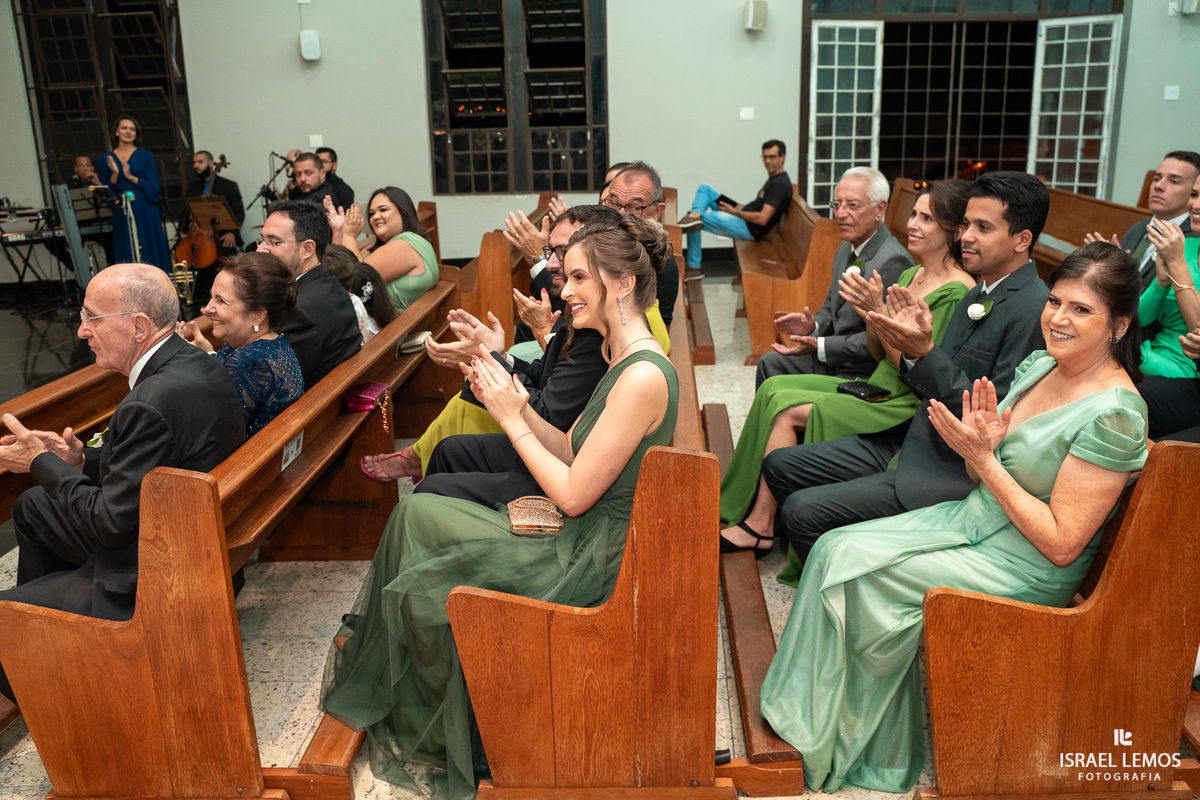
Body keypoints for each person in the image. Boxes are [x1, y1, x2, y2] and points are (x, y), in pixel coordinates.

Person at [759, 242, 1148, 794]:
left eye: (1081, 310)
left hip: (1025, 562)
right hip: (977, 519)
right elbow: (998, 448)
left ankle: (857, 746)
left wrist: (984, 459)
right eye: (1055, 302)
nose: (1058, 318)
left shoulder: (1114, 415)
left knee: (857, 570)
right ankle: (803, 715)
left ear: (1120, 324)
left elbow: (1062, 543)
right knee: (834, 545)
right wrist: (984, 441)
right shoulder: (1044, 365)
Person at [321, 215, 679, 800]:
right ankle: (438, 695)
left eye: (578, 277)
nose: (563, 291)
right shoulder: (625, 357)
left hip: (591, 552)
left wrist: (513, 421)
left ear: (619, 284)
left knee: (419, 517)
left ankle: (447, 719)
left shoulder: (641, 374)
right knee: (421, 514)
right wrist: (515, 403)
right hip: (583, 525)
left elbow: (572, 493)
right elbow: (570, 448)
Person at [760, 171, 1050, 560]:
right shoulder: (980, 291)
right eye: (965, 224)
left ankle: (856, 581)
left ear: (1022, 239)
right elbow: (927, 376)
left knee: (801, 511)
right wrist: (910, 349)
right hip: (910, 435)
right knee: (779, 465)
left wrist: (922, 351)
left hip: (944, 469)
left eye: (982, 227)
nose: (965, 236)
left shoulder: (1033, 308)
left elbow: (989, 415)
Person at [0, 263, 244, 699]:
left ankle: (52, 686)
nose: (81, 332)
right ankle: (49, 650)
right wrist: (79, 461)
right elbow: (156, 466)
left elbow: (110, 524)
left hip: (151, 575)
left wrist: (40, 460)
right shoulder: (194, 362)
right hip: (189, 534)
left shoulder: (148, 401)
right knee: (34, 506)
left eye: (91, 318)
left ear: (138, 326)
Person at [719, 180, 973, 555]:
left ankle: (760, 524)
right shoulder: (910, 277)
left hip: (899, 400)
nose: (914, 224)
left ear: (952, 231)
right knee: (774, 387)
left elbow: (908, 364)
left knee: (787, 410)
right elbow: (878, 349)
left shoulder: (956, 291)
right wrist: (873, 317)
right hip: (878, 380)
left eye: (927, 219)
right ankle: (751, 505)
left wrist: (880, 314)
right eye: (915, 214)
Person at [360, 205, 614, 486]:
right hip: (551, 428)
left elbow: (548, 414)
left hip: (554, 456)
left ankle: (424, 467)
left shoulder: (592, 329)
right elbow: (547, 372)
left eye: (562, 253)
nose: (551, 263)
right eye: (549, 252)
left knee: (458, 431)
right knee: (467, 399)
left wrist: (495, 365)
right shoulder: (584, 313)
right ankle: (422, 458)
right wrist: (500, 357)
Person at [754, 167, 914, 387]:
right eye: (837, 204)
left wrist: (820, 346)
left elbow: (882, 340)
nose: (840, 214)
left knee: (779, 387)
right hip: (836, 359)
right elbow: (830, 308)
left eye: (852, 206)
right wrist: (813, 327)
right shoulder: (845, 248)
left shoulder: (891, 261)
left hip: (862, 373)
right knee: (769, 363)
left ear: (880, 209)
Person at [177, 252, 305, 437]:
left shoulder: (247, 361)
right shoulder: (274, 342)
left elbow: (213, 433)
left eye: (221, 300)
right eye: (212, 296)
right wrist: (209, 355)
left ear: (257, 315)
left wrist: (180, 363)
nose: (207, 308)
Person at [257, 199, 361, 387]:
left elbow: (276, 385)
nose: (261, 250)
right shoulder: (329, 284)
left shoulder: (297, 309)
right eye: (262, 240)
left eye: (274, 242)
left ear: (307, 249)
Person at [1134, 171, 1200, 438]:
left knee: (1114, 392)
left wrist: (1177, 266)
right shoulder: (1185, 246)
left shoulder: (1178, 254)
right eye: (1195, 195)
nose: (1195, 205)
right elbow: (1141, 318)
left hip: (1188, 372)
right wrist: (1161, 282)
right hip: (1153, 353)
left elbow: (1197, 328)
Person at [1085, 151, 1200, 290]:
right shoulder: (1137, 229)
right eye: (1157, 178)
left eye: (1174, 181)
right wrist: (1114, 266)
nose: (1159, 186)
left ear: (1194, 191)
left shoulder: (1193, 239)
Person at [677, 139, 791, 271]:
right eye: (765, 157)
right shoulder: (774, 179)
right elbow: (758, 207)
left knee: (696, 219)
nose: (767, 161)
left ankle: (693, 266)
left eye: (772, 157)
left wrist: (734, 211)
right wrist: (738, 206)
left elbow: (762, 219)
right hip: (743, 217)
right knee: (705, 189)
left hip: (749, 228)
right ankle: (694, 215)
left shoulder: (780, 185)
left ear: (783, 157)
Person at [328, 187, 439, 312]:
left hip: (393, 329)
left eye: (383, 210)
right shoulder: (380, 246)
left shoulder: (405, 244)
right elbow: (339, 273)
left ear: (404, 211)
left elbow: (357, 283)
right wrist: (338, 232)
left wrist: (349, 235)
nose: (376, 217)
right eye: (372, 213)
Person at [101, 116, 171, 273]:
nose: (128, 132)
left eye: (132, 129)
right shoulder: (105, 159)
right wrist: (115, 174)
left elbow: (154, 187)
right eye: (124, 128)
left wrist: (131, 177)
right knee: (126, 246)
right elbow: (106, 191)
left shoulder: (146, 156)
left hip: (145, 208)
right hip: (122, 209)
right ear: (117, 132)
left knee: (148, 245)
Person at [184, 150, 246, 306]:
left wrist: (232, 232)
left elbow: (239, 213)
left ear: (212, 164)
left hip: (223, 236)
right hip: (199, 237)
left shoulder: (229, 186)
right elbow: (184, 216)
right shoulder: (192, 188)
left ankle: (229, 299)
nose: (196, 165)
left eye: (200, 162)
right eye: (194, 162)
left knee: (227, 255)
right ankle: (196, 300)